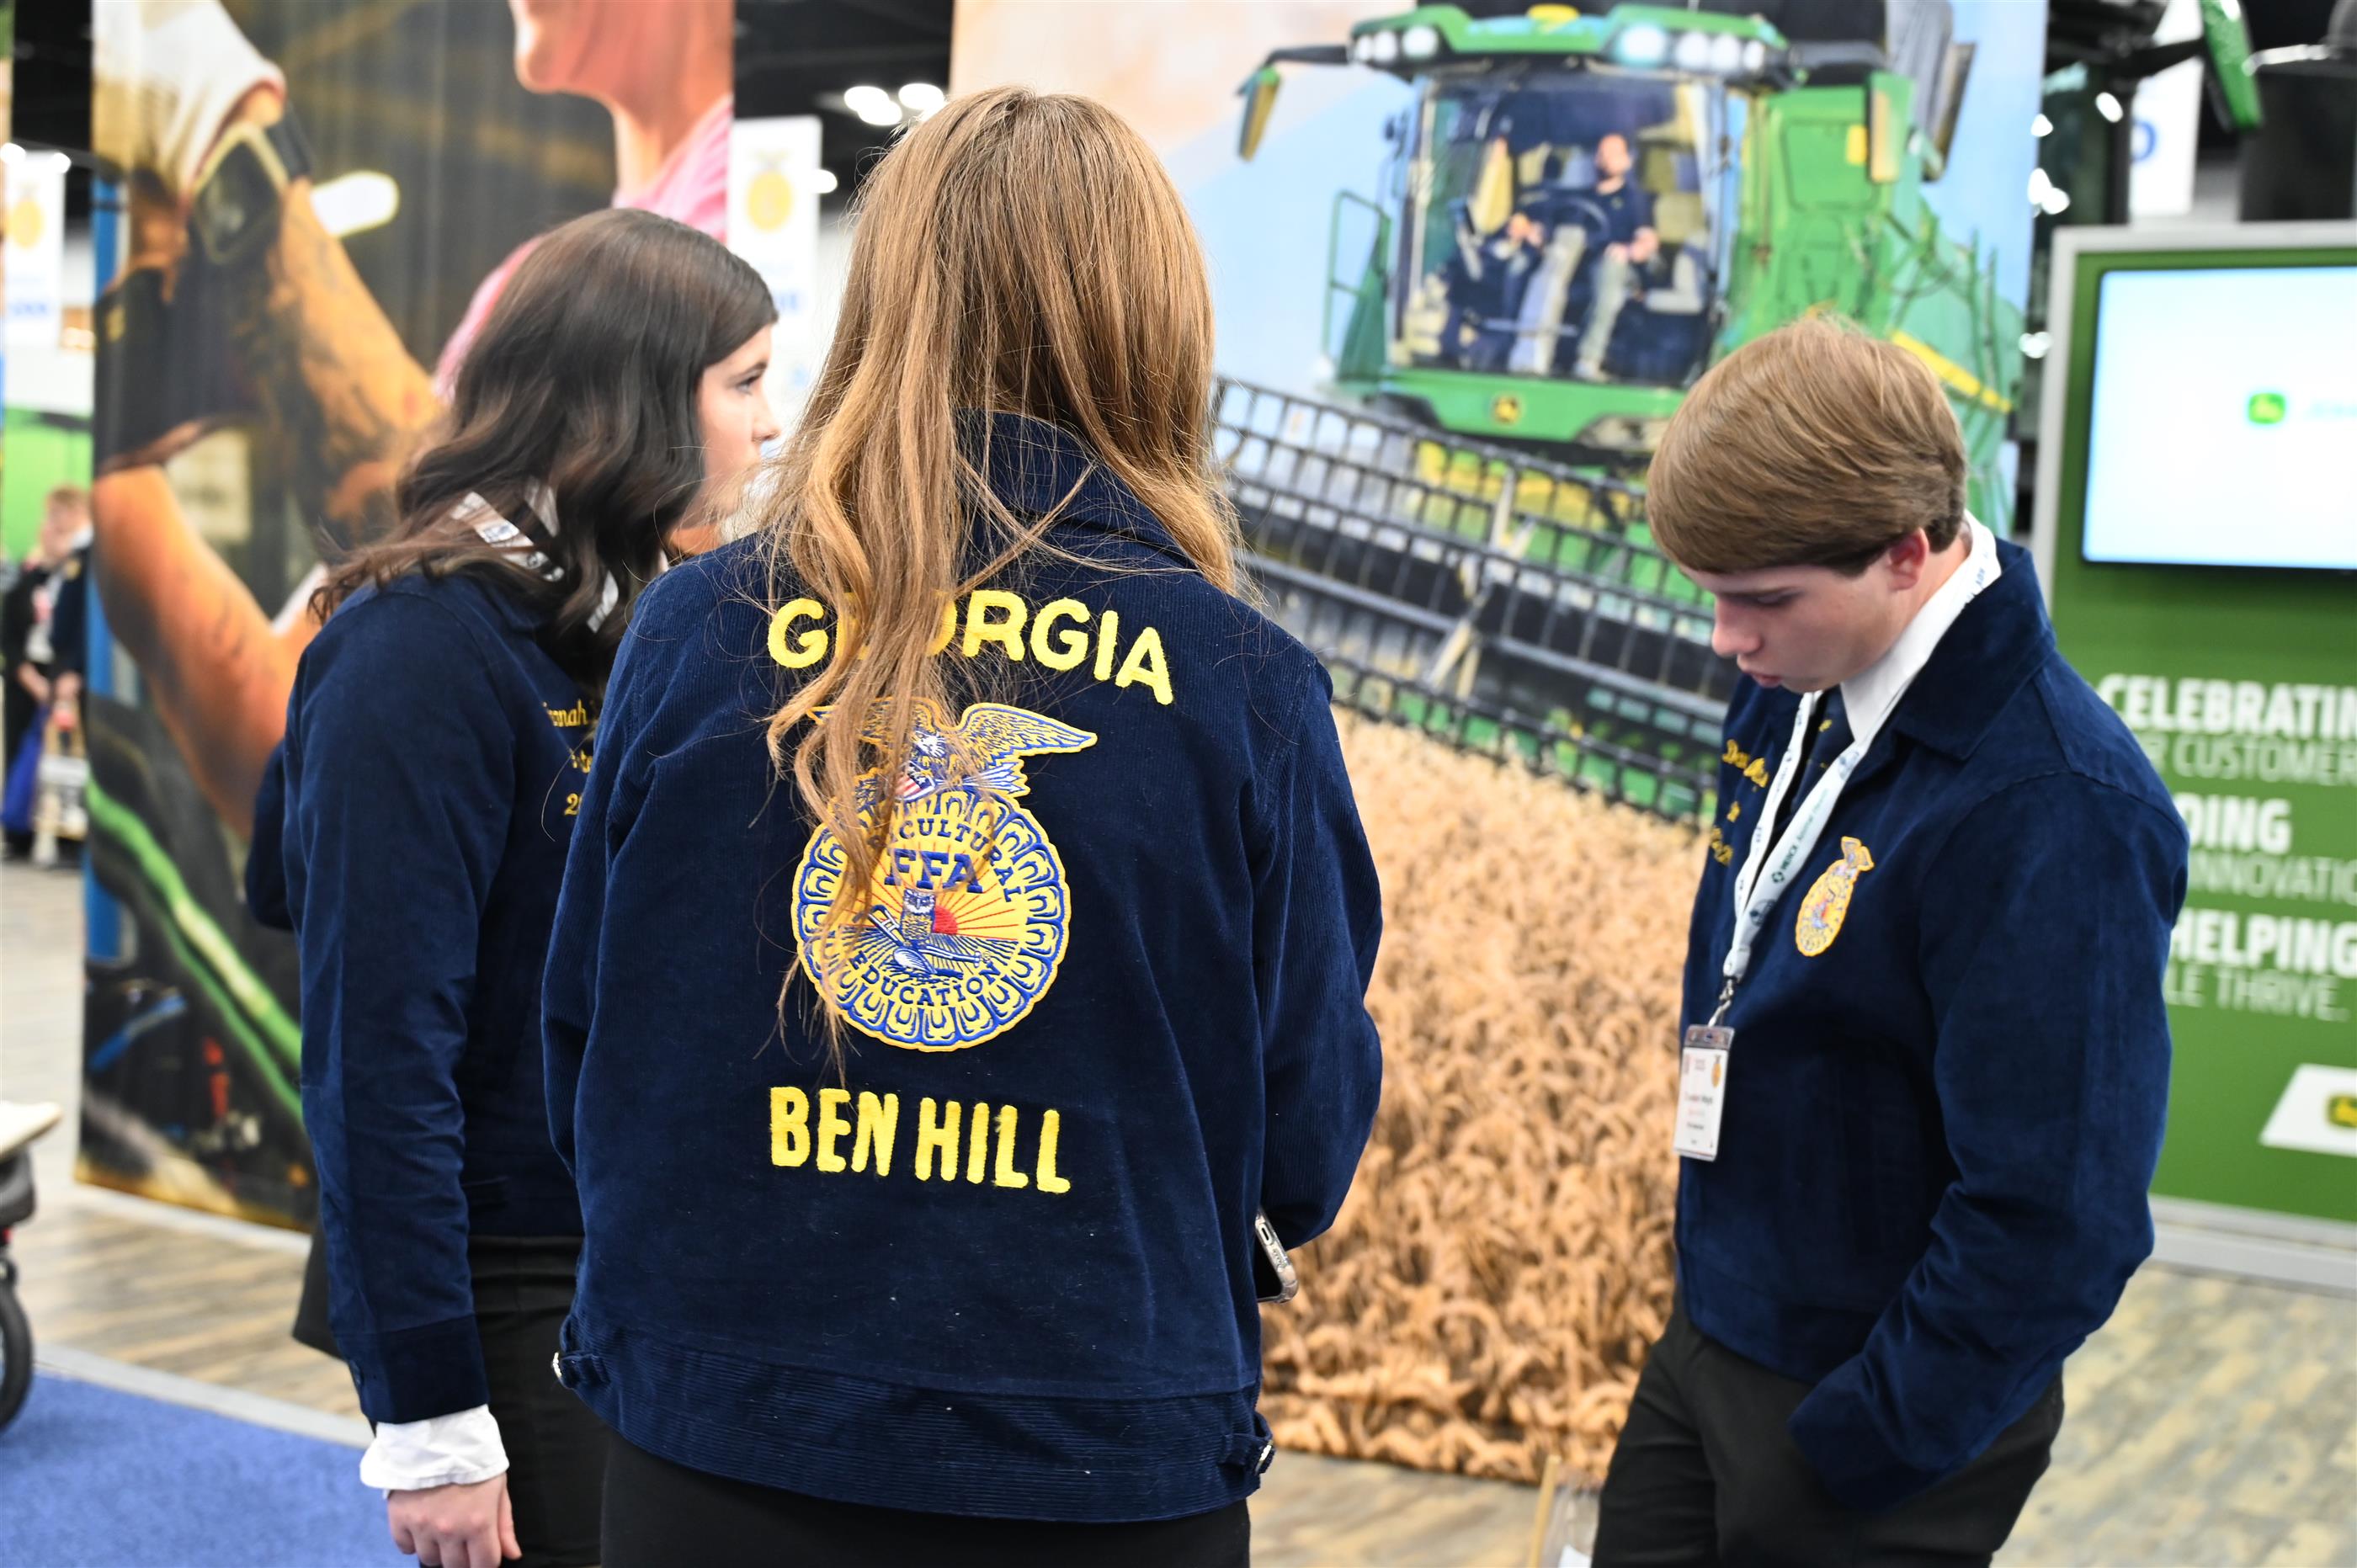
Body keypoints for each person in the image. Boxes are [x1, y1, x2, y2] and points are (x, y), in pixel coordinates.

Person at [544, 88, 1385, 1566]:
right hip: (1095, 1457)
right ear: (1153, 324)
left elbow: (585, 1051)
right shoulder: (1245, 686)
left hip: (722, 1434)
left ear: (885, 304)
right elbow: (1303, 1136)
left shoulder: (695, 631)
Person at [1590, 318, 2185, 1566]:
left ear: (1907, 553)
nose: (1726, 639)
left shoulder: (2057, 806)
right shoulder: (1801, 672)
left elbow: (2060, 1218)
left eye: (1762, 600)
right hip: (1713, 1340)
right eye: (1711, 594)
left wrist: (1864, 1439)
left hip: (1870, 1414)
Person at [247, 208, 778, 1568]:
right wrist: (429, 1413)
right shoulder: (416, 648)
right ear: (631, 399)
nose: (770, 425)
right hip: (504, 1268)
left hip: (631, 1247)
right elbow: (376, 1054)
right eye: (745, 383)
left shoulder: (616, 622)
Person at [88, 0, 737, 839]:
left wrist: (223, 130)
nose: (763, 421)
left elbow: (640, 598)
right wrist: (123, 493)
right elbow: (282, 730)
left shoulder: (721, 234)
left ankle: (233, 159)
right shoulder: (521, 292)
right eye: (745, 384)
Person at [1567, 132, 1660, 383]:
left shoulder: (1635, 200)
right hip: (1577, 266)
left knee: (1611, 267)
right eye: (1602, 153)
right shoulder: (1578, 199)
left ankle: (1588, 359)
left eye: (1614, 154)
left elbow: (1648, 242)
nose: (1606, 159)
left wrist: (1628, 250)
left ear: (1628, 161)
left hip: (1622, 271)